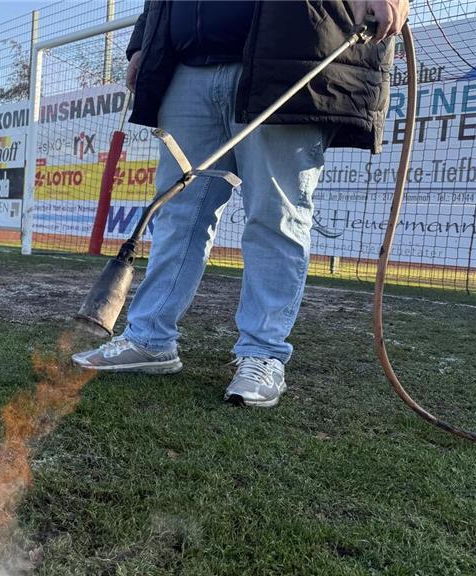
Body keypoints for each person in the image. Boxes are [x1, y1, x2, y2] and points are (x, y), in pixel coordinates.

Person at [72, 0, 408, 408]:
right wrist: (143, 42)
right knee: (179, 214)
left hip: (285, 58)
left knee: (275, 215)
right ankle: (149, 339)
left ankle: (263, 353)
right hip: (187, 67)